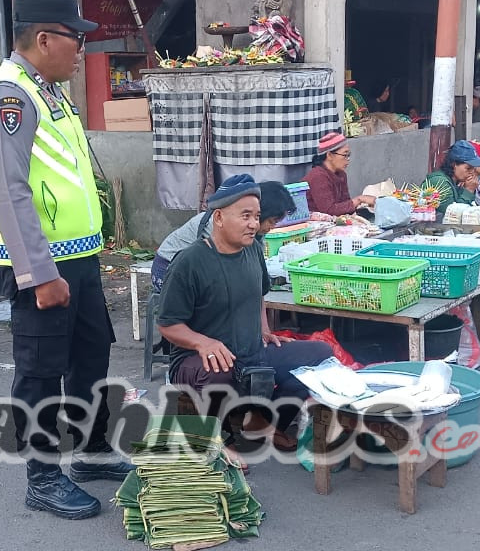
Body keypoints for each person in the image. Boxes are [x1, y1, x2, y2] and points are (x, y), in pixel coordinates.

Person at [0, 0, 129, 521]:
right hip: (42, 265)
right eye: (75, 38)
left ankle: (92, 451)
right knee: (40, 372)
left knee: (91, 357)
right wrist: (38, 273)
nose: (81, 49)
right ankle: (42, 476)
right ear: (44, 39)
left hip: (77, 259)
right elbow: (9, 190)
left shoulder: (48, 91)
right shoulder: (8, 96)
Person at [157, 177, 332, 451]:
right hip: (198, 360)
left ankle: (260, 420)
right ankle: (214, 439)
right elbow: (167, 325)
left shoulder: (253, 250)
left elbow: (259, 295)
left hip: (251, 351)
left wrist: (265, 331)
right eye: (245, 216)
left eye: (257, 216)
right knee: (219, 368)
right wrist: (204, 343)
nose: (253, 223)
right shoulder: (189, 262)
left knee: (320, 355)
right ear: (218, 218)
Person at [151, 179, 295, 292]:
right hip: (168, 268)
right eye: (272, 221)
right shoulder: (219, 225)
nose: (272, 227)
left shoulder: (254, 230)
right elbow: (222, 266)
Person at [303, 132, 373, 216]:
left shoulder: (341, 174)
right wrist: (359, 200)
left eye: (349, 155)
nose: (348, 159)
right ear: (329, 155)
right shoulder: (318, 176)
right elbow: (329, 210)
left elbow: (345, 204)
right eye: (345, 155)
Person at [423, 140, 480, 215]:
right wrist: (469, 191)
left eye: (473, 168)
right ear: (453, 165)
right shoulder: (439, 182)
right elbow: (453, 216)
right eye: (468, 168)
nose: (472, 172)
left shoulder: (456, 182)